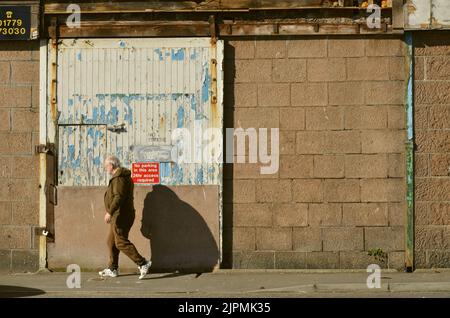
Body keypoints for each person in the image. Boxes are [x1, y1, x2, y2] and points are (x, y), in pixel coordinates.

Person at [99, 155, 151, 279]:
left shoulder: (119, 178)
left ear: (111, 166)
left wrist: (110, 212)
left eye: (106, 166)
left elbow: (118, 197)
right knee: (111, 242)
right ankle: (113, 268)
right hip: (120, 215)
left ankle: (142, 263)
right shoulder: (123, 177)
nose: (106, 169)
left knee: (120, 242)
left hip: (120, 215)